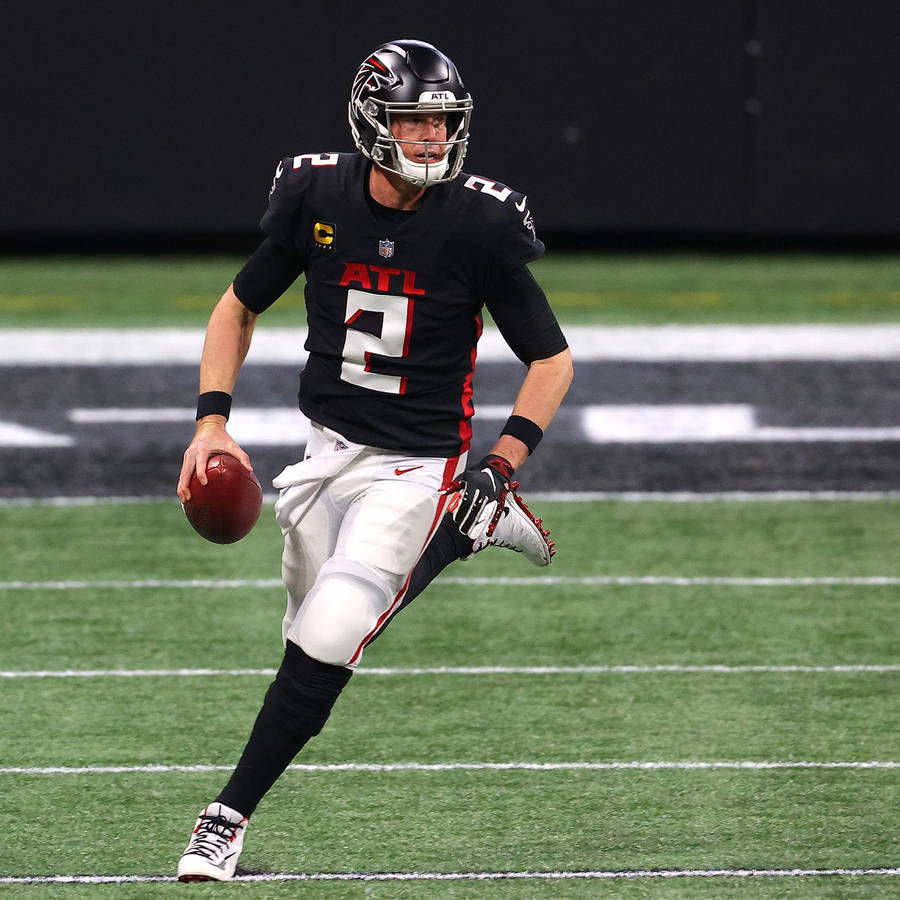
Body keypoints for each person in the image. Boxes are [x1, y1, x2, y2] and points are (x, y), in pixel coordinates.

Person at [174, 38, 573, 882]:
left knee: (330, 634)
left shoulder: (479, 221)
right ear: (371, 120)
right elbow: (236, 308)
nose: (432, 138)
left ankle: (225, 816)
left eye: (443, 121)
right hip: (324, 456)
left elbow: (551, 360)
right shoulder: (316, 194)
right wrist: (211, 423)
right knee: (308, 627)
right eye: (414, 120)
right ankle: (468, 532)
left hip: (415, 467)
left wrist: (502, 458)